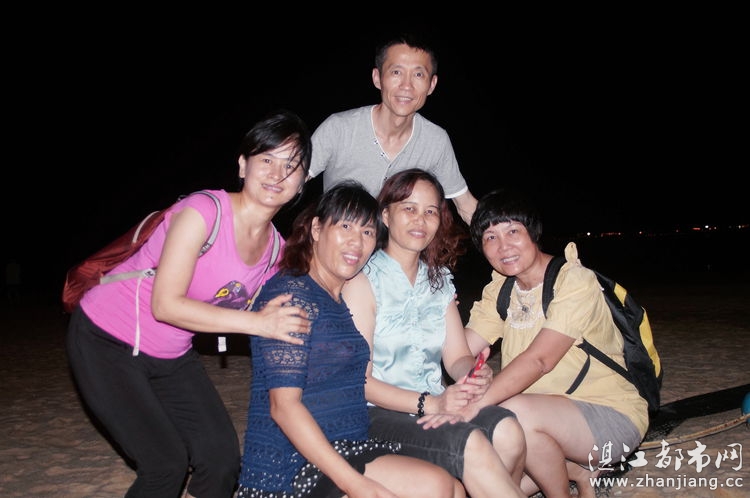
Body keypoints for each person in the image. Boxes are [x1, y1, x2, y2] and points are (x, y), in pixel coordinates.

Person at [66, 109, 315, 498]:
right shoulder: (203, 212)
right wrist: (259, 324)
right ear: (243, 165)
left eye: (291, 166)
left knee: (221, 461)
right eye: (267, 159)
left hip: (171, 354)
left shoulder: (275, 252)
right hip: (106, 339)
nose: (277, 174)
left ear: (302, 181)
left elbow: (295, 303)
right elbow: (166, 306)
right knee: (165, 464)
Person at [237, 182, 464, 498]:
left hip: (349, 444)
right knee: (436, 487)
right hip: (292, 464)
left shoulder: (341, 296)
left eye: (367, 232)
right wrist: (355, 484)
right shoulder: (292, 297)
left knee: (452, 487)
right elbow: (283, 408)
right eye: (345, 227)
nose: (357, 242)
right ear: (317, 229)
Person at [341, 169, 526, 498]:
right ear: (385, 215)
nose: (420, 220)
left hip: (436, 402)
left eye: (430, 211)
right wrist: (433, 404)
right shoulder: (362, 280)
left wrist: (473, 374)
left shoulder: (438, 280)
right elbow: (359, 381)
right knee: (469, 442)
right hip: (378, 414)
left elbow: (457, 357)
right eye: (409, 208)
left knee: (508, 431)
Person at [459, 189, 649, 498]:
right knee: (494, 486)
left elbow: (540, 360)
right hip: (542, 419)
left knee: (513, 412)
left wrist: (477, 405)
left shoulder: (574, 281)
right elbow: (462, 348)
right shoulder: (502, 291)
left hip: (610, 416)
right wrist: (439, 312)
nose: (503, 246)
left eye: (512, 231)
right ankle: (579, 471)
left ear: (533, 233)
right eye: (490, 237)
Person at [307, 33, 478, 225]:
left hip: (398, 244)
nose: (407, 86)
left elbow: (465, 205)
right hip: (339, 239)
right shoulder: (339, 128)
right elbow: (290, 179)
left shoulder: (436, 141)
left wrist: (499, 237)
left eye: (418, 74)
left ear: (432, 85)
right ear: (377, 78)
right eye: (396, 72)